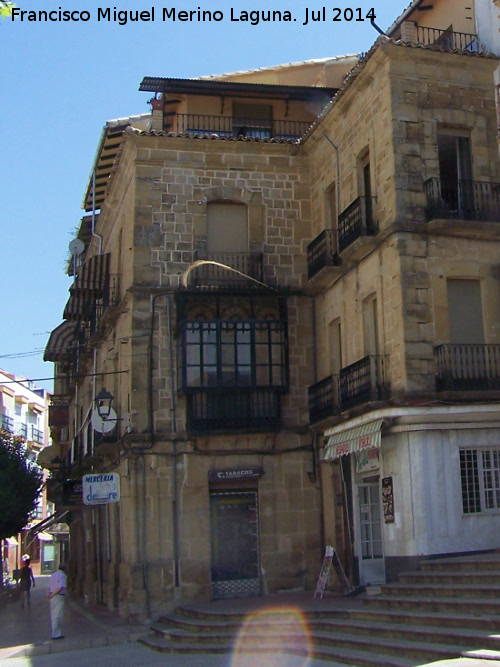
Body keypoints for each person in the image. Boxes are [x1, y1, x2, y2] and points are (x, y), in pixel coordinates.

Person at [47, 563, 67, 640]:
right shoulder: (63, 576)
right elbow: (61, 587)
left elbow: (49, 585)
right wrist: (53, 594)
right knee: (58, 614)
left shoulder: (53, 575)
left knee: (53, 614)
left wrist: (49, 594)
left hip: (52, 596)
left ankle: (55, 632)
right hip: (58, 596)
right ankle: (56, 633)